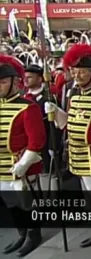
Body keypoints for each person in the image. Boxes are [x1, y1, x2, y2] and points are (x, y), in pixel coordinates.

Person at [44, 44, 91, 254]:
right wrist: (55, 111)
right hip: (77, 154)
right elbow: (69, 123)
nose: (78, 75)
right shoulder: (73, 95)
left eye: (82, 71)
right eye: (75, 71)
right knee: (90, 196)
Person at [0, 54, 46, 257]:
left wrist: (24, 163)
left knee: (26, 203)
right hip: (1, 165)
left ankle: (33, 235)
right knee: (11, 202)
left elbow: (37, 141)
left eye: (2, 82)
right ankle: (22, 233)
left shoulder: (28, 107)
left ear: (15, 83)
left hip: (21, 166)